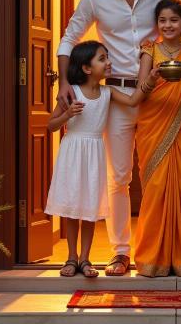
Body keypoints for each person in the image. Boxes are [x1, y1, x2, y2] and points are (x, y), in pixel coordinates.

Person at [56, 0, 181, 276]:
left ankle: (164, 252)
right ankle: (121, 252)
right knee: (120, 177)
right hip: (117, 97)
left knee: (159, 176)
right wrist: (65, 81)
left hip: (161, 97)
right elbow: (69, 38)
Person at [45, 40, 159, 277]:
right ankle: (71, 258)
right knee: (72, 208)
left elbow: (133, 100)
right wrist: (67, 114)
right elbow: (51, 125)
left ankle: (85, 259)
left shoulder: (107, 93)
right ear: (87, 68)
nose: (109, 63)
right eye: (102, 59)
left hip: (95, 152)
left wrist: (150, 79)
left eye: (107, 57)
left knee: (89, 207)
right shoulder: (72, 92)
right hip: (73, 152)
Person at [134, 0, 181, 277]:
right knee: (156, 189)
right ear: (156, 23)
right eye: (162, 20)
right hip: (154, 123)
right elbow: (141, 89)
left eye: (174, 20)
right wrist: (152, 77)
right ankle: (153, 258)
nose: (168, 25)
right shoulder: (150, 50)